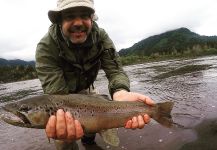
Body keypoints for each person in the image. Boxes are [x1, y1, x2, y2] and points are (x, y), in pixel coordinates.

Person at [35, 0, 154, 149]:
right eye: (70, 16)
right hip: (61, 95)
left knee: (95, 121)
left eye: (84, 15)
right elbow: (56, 97)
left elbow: (115, 71)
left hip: (87, 88)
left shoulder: (101, 37)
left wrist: (121, 92)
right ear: (59, 21)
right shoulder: (46, 47)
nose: (78, 23)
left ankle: (89, 142)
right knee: (63, 136)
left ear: (91, 19)